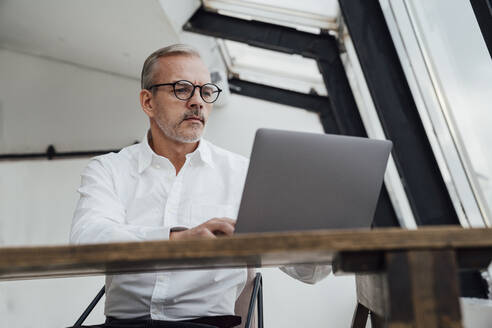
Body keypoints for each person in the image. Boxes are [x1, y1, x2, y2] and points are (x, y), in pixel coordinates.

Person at [70, 44, 330, 328]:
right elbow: (87, 242)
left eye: (205, 91)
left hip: (210, 325)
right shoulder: (109, 169)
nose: (197, 102)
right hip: (124, 325)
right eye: (182, 89)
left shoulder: (244, 175)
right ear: (148, 102)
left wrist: (331, 230)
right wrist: (176, 240)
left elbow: (309, 272)